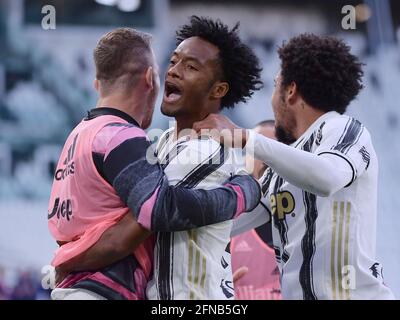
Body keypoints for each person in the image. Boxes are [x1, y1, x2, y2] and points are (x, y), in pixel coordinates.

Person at [55, 16, 263, 300]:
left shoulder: (206, 149)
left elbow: (159, 211)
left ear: (218, 90)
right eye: (174, 61)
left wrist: (245, 191)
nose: (173, 72)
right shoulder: (161, 143)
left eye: (190, 67)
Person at [194, 34, 395, 300]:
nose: (272, 100)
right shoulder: (283, 168)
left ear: (290, 91)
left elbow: (327, 178)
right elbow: (225, 225)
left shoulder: (345, 129)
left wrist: (246, 138)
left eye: (276, 85)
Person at [231, 120, 281, 300]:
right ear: (245, 158)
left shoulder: (307, 225)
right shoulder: (226, 224)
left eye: (277, 149)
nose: (268, 158)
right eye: (259, 149)